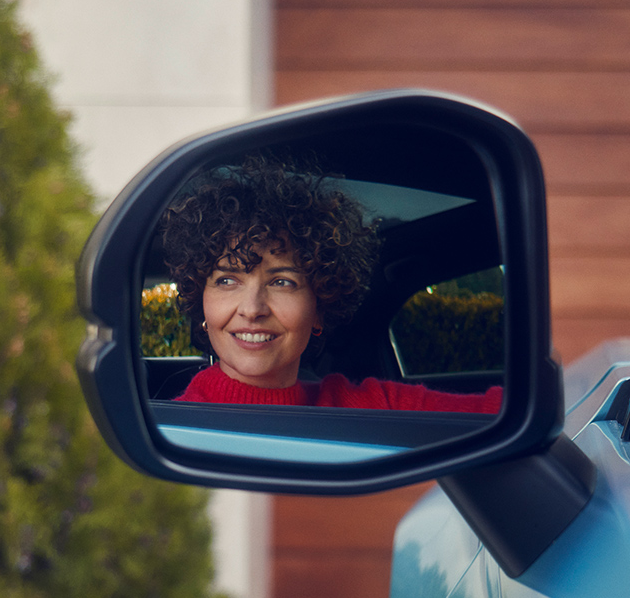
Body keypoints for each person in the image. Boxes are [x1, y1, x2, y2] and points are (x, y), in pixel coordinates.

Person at [158, 159, 501, 413]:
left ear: (319, 306)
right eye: (227, 280)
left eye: (282, 281)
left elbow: (504, 414)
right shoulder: (171, 429)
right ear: (200, 303)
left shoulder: (377, 406)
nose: (252, 308)